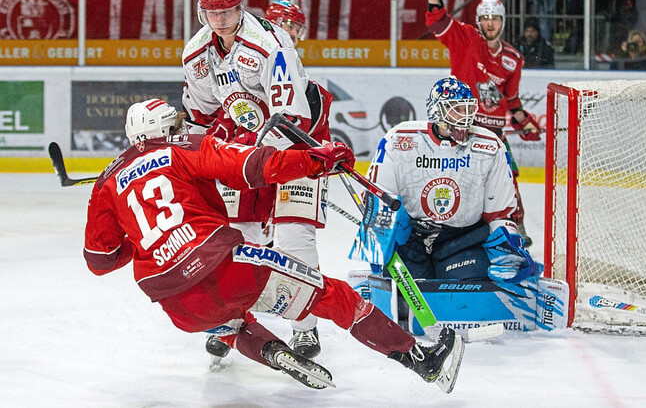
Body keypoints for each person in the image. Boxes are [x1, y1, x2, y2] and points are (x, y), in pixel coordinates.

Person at [83, 98, 464, 391]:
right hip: (229, 269)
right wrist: (315, 160)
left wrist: (141, 238)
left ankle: (271, 350)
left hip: (179, 307)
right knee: (334, 294)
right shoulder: (183, 147)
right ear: (163, 129)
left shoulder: (105, 184)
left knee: (228, 324)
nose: (185, 125)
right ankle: (420, 358)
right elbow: (253, 166)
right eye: (177, 123)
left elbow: (99, 260)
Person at [181, 0, 331, 361]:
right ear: (202, 11)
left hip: (299, 144)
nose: (221, 19)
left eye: (228, 8)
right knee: (241, 236)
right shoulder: (196, 54)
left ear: (240, 4)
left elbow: (291, 118)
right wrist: (195, 156)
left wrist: (249, 160)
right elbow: (200, 117)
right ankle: (234, 320)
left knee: (295, 236)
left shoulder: (269, 44)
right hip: (246, 148)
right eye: (213, 11)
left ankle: (306, 327)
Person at [362, 76, 541, 285]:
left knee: (469, 291)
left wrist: (508, 247)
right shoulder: (400, 139)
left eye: (468, 110)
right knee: (402, 293)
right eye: (457, 109)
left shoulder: (490, 146)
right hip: (411, 240)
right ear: (436, 111)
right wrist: (377, 243)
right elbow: (379, 198)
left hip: (462, 241)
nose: (465, 118)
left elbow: (499, 212)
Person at [418, 0, 542, 246]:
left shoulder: (513, 58)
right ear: (478, 20)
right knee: (455, 177)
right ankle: (445, 229)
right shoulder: (465, 39)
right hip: (463, 128)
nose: (490, 23)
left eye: (495, 18)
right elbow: (438, 22)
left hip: (495, 135)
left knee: (507, 180)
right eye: (485, 18)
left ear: (502, 21)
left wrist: (524, 123)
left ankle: (515, 230)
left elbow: (511, 100)